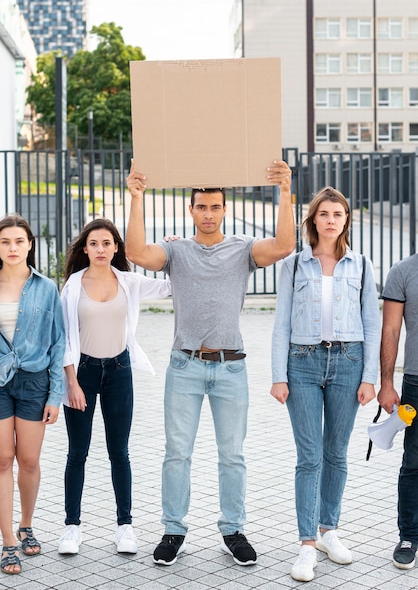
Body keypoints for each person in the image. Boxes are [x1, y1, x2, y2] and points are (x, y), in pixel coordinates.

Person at [125, 158, 295, 566]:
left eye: (215, 206)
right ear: (191, 210)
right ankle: (173, 530)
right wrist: (135, 197)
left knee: (232, 454)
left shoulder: (241, 249)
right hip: (184, 366)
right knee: (177, 453)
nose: (208, 213)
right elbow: (134, 252)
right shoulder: (176, 250)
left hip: (231, 367)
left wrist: (286, 192)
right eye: (201, 206)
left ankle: (233, 530)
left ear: (225, 210)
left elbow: (284, 246)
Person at [270, 187, 380, 582]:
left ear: (346, 220)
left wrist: (370, 377)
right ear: (313, 220)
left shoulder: (362, 265)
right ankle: (305, 545)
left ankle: (328, 530)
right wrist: (278, 376)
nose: (331, 220)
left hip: (349, 362)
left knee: (336, 452)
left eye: (338, 214)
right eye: (324, 213)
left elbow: (372, 323)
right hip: (301, 363)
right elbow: (281, 322)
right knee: (309, 456)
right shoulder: (295, 266)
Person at [57, 218, 171, 556]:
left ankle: (125, 527)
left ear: (117, 247)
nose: (100, 249)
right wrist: (72, 383)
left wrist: (171, 251)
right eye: (94, 244)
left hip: (119, 372)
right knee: (77, 453)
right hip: (84, 374)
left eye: (107, 243)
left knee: (119, 452)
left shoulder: (130, 281)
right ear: (85, 248)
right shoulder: (74, 286)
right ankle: (71, 528)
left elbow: (170, 286)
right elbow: (63, 338)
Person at [0, 214, 65, 575]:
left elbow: (58, 344)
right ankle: (8, 539)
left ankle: (26, 524)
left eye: (18, 241)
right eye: (5, 241)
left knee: (28, 460)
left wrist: (55, 395)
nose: (12, 248)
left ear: (30, 245)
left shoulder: (46, 287)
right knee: (2, 459)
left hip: (34, 383)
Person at [378, 254, 418, 570]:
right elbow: (390, 329)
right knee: (414, 463)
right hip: (416, 381)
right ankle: (409, 536)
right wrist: (387, 382)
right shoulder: (403, 272)